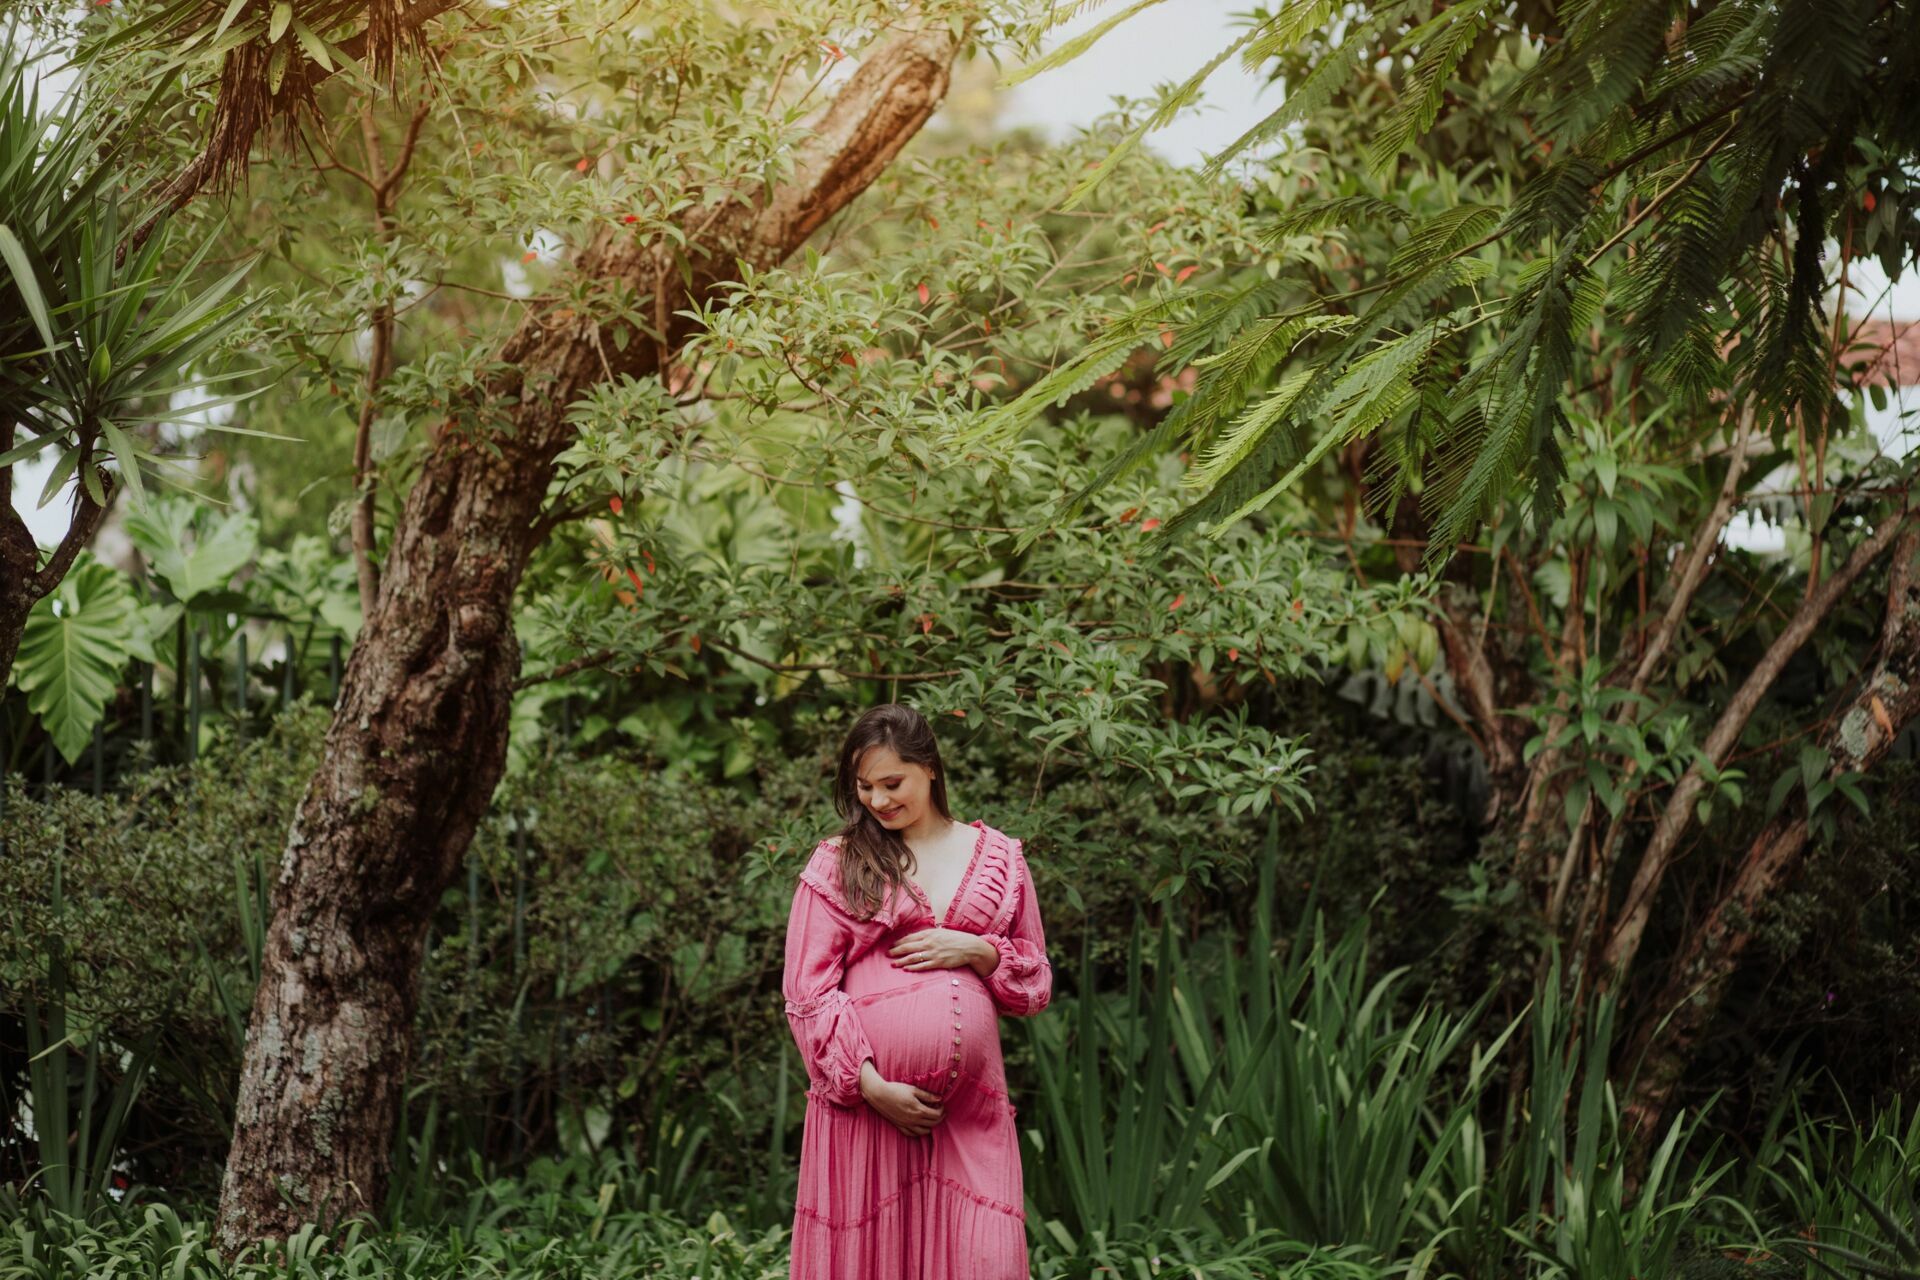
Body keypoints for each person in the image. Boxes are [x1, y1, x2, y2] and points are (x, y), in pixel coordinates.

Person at [782, 703, 1052, 1280]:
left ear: (930, 767)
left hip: (967, 1115)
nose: (878, 801)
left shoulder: (1000, 859)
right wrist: (871, 1086)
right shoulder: (840, 862)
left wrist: (978, 951)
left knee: (988, 1263)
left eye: (891, 783)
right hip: (868, 1112)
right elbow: (807, 992)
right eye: (864, 788)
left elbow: (1035, 983)